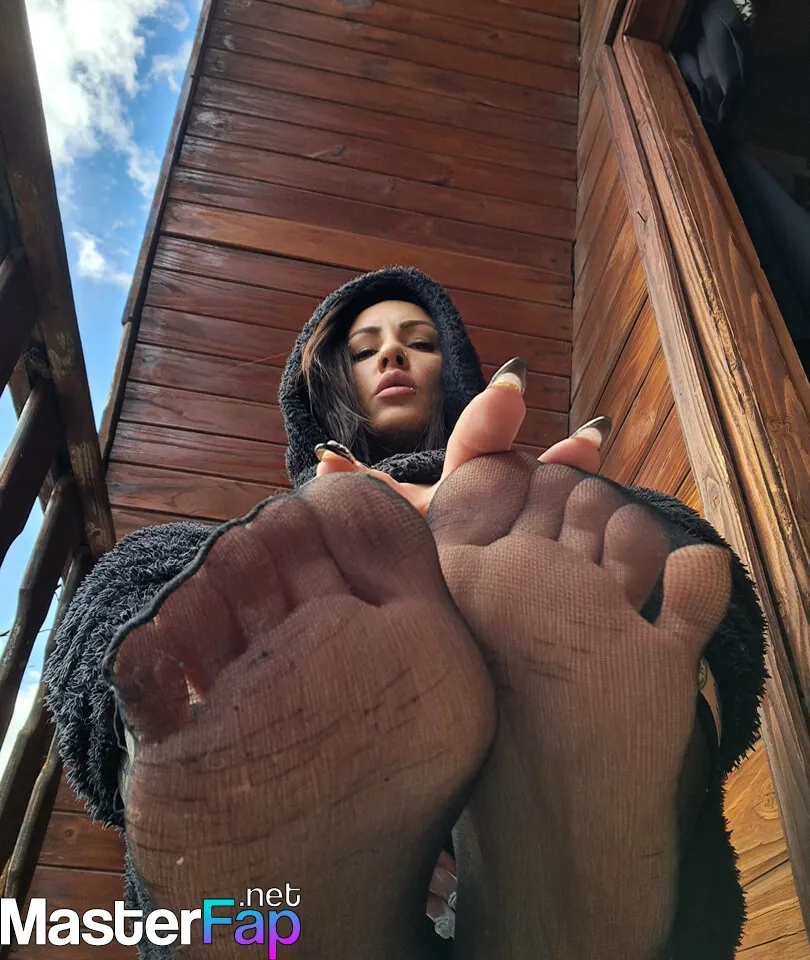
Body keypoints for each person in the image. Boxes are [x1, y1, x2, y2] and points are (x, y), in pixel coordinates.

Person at [45, 266, 767, 960]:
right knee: (161, 577)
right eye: (365, 350)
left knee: (634, 539)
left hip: (510, 723)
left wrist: (455, 550)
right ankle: (569, 875)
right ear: (328, 382)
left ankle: (300, 899)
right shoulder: (261, 561)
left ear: (455, 370)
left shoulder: (538, 508)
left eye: (420, 341)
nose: (392, 353)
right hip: (369, 650)